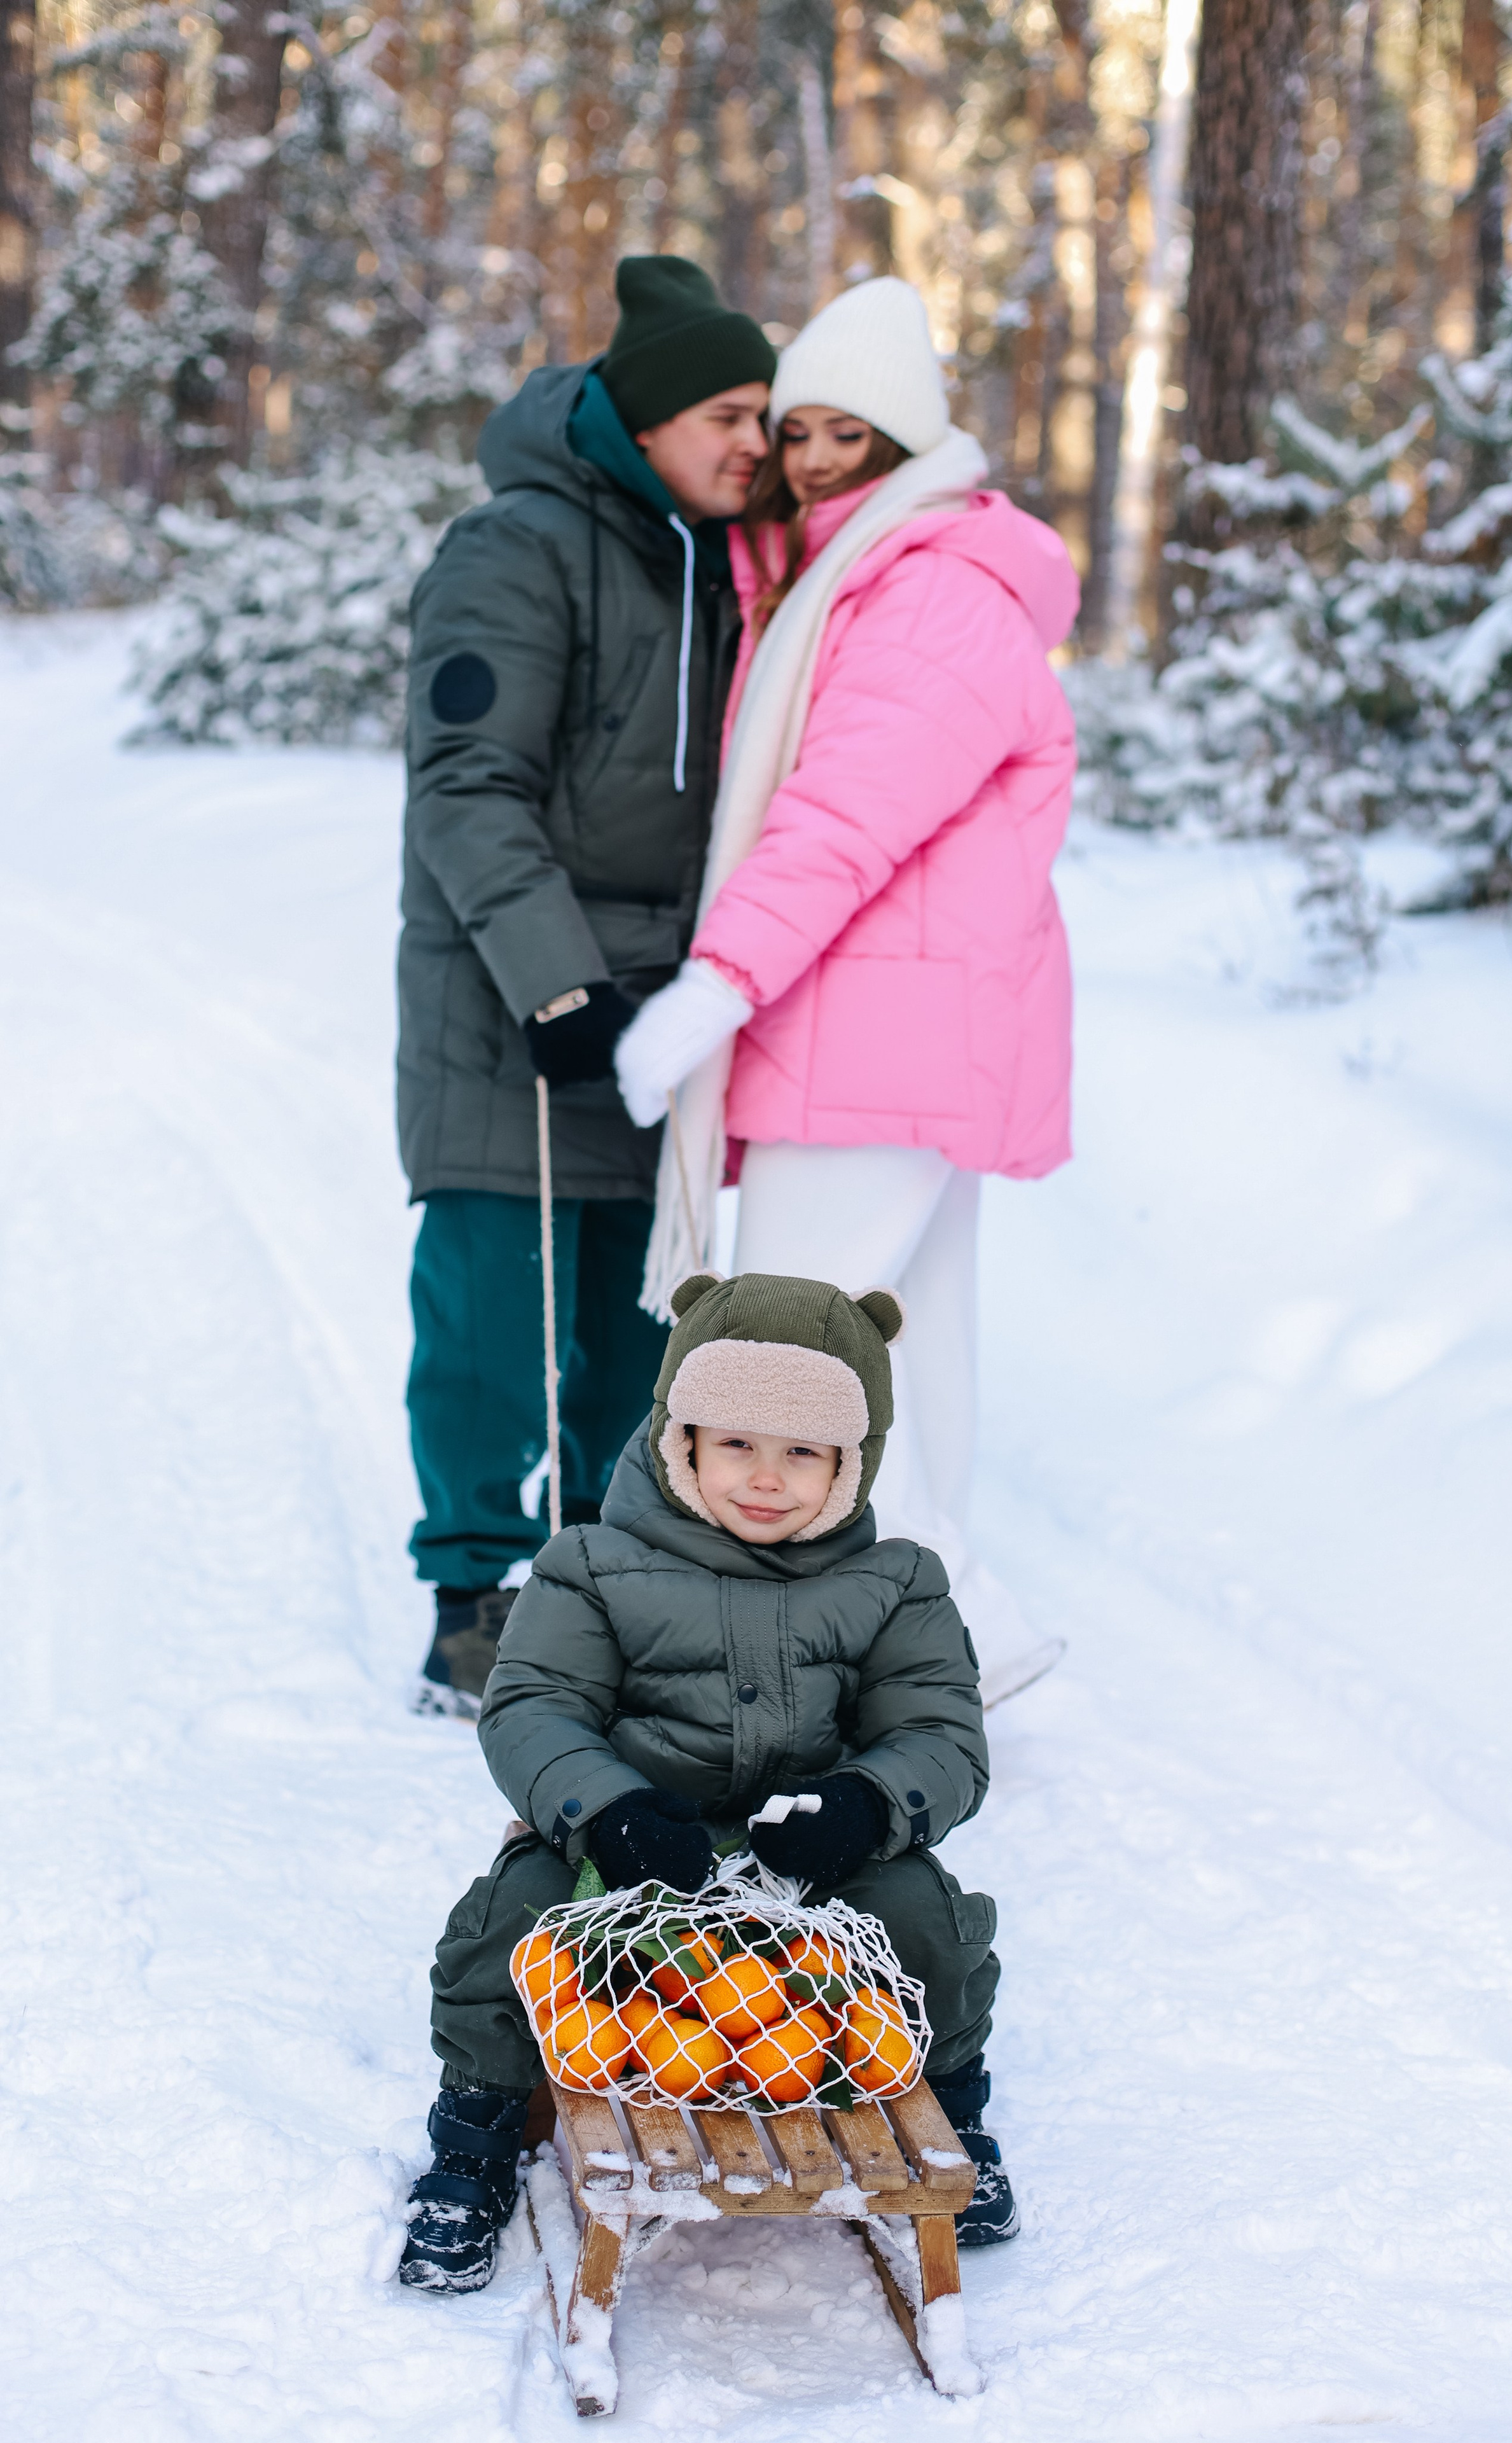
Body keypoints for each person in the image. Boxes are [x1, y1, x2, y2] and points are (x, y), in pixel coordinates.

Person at [612, 276, 1079, 1706]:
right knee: (903, 1345)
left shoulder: (928, 589)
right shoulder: (857, 578)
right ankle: (943, 1628)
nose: (810, 458)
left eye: (844, 432)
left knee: (788, 1345)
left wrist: (716, 980)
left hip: (883, 1030)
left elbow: (841, 817)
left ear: (908, 438)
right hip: (898, 1029)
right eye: (795, 428)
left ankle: (905, 1640)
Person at [396, 1270, 1017, 2293]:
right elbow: (534, 1706)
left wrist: (865, 1806)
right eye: (736, 1444)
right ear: (680, 1437)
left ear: (852, 1463)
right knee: (512, 1925)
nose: (766, 1479)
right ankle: (472, 2144)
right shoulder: (590, 1565)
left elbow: (942, 1731)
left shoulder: (897, 1583)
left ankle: (954, 2113)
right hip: (632, 1845)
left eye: (803, 1454)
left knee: (933, 1928)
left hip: (813, 1857)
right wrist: (607, 1810)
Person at [397, 256, 776, 1716]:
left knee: (634, 1317)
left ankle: (597, 1586)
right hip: (509, 995)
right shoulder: (519, 550)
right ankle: (471, 1598)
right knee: (495, 1312)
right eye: (730, 412)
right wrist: (560, 993)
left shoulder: (716, 563)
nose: (754, 440)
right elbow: (466, 791)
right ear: (651, 412)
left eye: (766, 414)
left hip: (658, 1012)